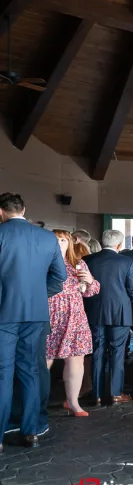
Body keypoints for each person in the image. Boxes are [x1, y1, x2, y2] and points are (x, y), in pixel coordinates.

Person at [0, 193, 66, 450]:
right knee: (30, 370)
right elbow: (59, 277)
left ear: (1, 212)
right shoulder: (47, 237)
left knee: (3, 373)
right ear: (23, 209)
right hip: (36, 313)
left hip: (4, 314)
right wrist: (39, 294)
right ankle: (31, 431)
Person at [43, 230, 98, 417]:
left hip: (75, 318)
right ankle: (37, 403)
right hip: (50, 316)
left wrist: (90, 281)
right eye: (55, 240)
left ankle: (73, 402)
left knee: (76, 360)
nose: (59, 243)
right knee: (43, 361)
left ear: (69, 243)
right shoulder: (41, 264)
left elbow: (91, 291)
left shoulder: (78, 263)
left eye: (63, 240)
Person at [83, 229, 133, 407]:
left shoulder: (88, 260)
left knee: (97, 352)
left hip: (94, 310)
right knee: (117, 353)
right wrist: (122, 301)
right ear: (119, 245)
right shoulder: (127, 261)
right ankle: (115, 393)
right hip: (120, 312)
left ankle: (98, 394)